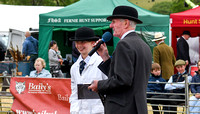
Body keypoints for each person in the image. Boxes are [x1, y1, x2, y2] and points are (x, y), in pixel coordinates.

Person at [88, 6, 152, 114]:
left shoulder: (124, 44)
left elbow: (123, 80)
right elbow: (124, 76)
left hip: (123, 108)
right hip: (137, 107)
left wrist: (99, 85)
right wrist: (105, 56)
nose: (111, 25)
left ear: (126, 23)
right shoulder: (144, 45)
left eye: (113, 22)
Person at [69, 27, 107, 114]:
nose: (79, 46)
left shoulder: (102, 63)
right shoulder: (74, 67)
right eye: (77, 42)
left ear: (93, 43)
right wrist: (74, 110)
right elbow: (74, 93)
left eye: (83, 42)